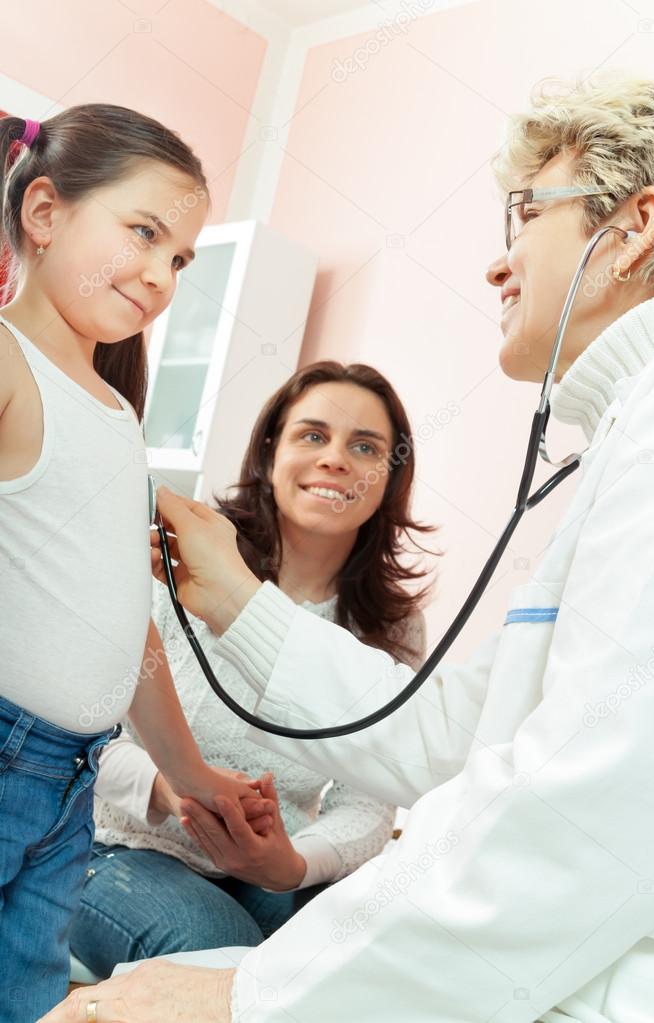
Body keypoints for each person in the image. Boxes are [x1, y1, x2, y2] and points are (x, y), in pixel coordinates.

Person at [42, 72, 654, 1023]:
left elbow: (575, 810)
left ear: (633, 227)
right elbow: (460, 741)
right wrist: (201, 741)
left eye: (524, 215)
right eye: (311, 435)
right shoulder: (633, 439)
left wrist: (269, 944)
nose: (498, 265)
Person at [0, 106, 272, 1023]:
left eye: (182, 257)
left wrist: (193, 778)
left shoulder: (119, 418)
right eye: (144, 234)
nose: (161, 275)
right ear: (45, 213)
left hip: (69, 785)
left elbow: (130, 628)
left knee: (31, 996)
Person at [69, 361, 430, 977]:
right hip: (115, 845)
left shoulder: (390, 625)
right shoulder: (177, 556)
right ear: (270, 452)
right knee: (219, 947)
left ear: (389, 476)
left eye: (365, 446)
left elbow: (373, 800)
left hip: (267, 867)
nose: (336, 459)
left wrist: (291, 863)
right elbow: (78, 729)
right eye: (312, 435)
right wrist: (171, 787)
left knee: (353, 967)